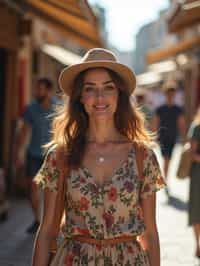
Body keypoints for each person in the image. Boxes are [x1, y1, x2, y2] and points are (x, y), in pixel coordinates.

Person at [32, 48, 165, 266]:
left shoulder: (143, 157)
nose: (100, 97)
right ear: (80, 97)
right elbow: (47, 231)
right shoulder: (59, 156)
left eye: (108, 88)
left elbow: (150, 233)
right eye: (90, 89)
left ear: (119, 95)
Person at [15, 78, 55, 234]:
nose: (37, 92)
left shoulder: (58, 107)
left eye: (40, 89)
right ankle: (38, 220)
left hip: (52, 156)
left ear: (49, 91)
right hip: (33, 154)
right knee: (32, 189)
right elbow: (24, 131)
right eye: (36, 89)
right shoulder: (30, 109)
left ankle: (50, 222)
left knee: (52, 192)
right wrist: (18, 154)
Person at [153, 82, 186, 196]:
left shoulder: (178, 109)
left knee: (167, 159)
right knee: (164, 159)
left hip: (172, 137)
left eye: (172, 94)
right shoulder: (160, 109)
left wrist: (183, 137)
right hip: (162, 137)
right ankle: (164, 178)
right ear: (165, 94)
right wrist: (154, 136)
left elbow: (181, 124)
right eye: (168, 93)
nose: (170, 96)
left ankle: (164, 179)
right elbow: (155, 123)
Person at [188, 106, 200, 258]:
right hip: (198, 175)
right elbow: (192, 153)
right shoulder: (196, 127)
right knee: (197, 210)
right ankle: (197, 244)